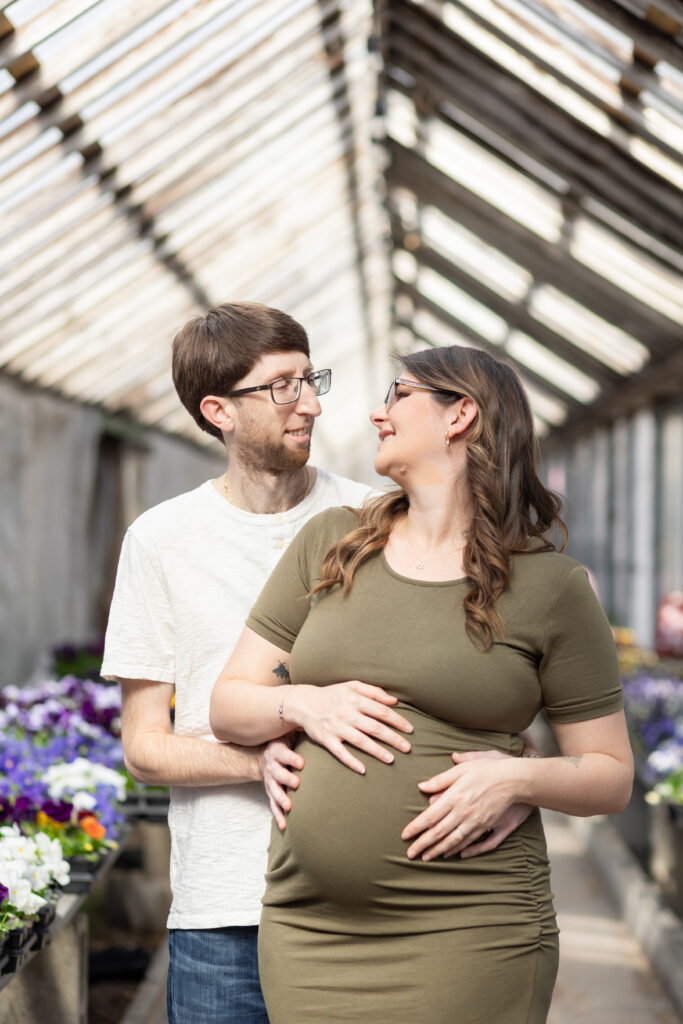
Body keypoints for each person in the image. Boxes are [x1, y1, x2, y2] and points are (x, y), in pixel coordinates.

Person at [100, 307, 527, 1024]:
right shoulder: (161, 541)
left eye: (309, 378)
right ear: (217, 411)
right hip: (225, 906)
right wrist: (261, 757)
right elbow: (144, 747)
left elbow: (481, 681)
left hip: (376, 903)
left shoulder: (373, 517)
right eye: (281, 387)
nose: (312, 403)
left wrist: (514, 776)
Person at [210, 344, 634, 1024]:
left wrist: (517, 779)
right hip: (309, 931)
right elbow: (229, 704)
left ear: (459, 413)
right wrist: (299, 703)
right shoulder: (332, 542)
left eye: (397, 395)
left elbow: (611, 775)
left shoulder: (550, 587)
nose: (377, 415)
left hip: (470, 930)